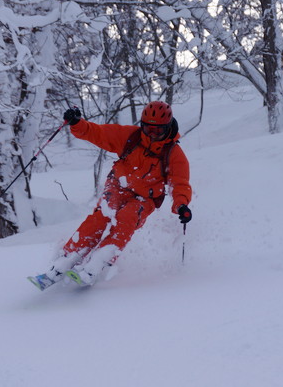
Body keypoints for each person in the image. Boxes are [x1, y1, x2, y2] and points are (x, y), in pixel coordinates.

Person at [32, 101, 193, 289]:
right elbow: (99, 133)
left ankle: (99, 261)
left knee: (128, 217)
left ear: (167, 127)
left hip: (146, 198)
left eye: (158, 130)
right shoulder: (131, 136)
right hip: (118, 185)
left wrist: (181, 205)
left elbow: (180, 183)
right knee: (101, 217)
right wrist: (77, 123)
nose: (152, 134)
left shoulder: (173, 153)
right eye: (148, 129)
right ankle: (67, 258)